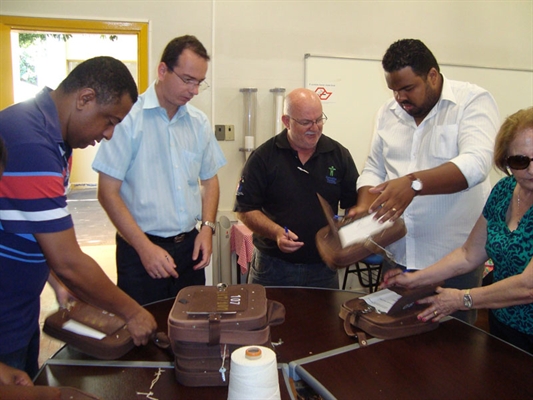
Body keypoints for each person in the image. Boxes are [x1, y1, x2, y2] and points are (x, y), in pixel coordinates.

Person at [0, 56, 157, 379]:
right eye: (109, 120)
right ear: (85, 98)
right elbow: (69, 260)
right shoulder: (30, 142)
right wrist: (132, 311)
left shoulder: (51, 138)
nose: (110, 134)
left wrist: (55, 282)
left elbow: (24, 226)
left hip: (19, 314)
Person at [352, 39, 500, 323]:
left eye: (408, 88)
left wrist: (414, 183)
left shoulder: (471, 101)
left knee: (449, 355)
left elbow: (476, 163)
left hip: (454, 263)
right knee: (394, 348)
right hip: (397, 255)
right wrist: (364, 205)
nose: (400, 97)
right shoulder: (387, 113)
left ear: (432, 76)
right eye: (394, 90)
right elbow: (374, 168)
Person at [382, 107, 533, 354]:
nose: (531, 170)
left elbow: (528, 287)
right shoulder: (504, 191)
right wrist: (415, 278)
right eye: (520, 161)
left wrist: (462, 298)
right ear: (505, 160)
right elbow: (468, 254)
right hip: (504, 325)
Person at [92, 35, 226, 305]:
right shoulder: (128, 118)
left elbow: (210, 180)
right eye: (187, 80)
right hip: (140, 249)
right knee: (144, 332)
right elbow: (107, 192)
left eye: (199, 83)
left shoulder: (198, 122)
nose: (194, 91)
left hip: (190, 248)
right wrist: (144, 248)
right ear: (163, 70)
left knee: (193, 329)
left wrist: (207, 229)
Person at [234, 88, 358, 288]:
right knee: (267, 319)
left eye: (319, 120)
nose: (315, 128)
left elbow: (354, 205)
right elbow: (245, 209)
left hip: (323, 269)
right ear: (286, 121)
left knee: (323, 320)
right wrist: (276, 232)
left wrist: (348, 231)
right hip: (272, 268)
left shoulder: (339, 155)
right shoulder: (264, 157)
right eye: (306, 122)